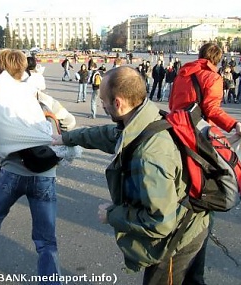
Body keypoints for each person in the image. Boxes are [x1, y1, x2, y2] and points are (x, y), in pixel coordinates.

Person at [52, 66, 209, 285]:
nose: (102, 105)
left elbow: (161, 222)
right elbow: (108, 135)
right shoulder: (145, 118)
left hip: (178, 239)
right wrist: (68, 138)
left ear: (118, 103)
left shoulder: (149, 156)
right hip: (191, 220)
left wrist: (113, 215)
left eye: (103, 100)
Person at [0, 49, 74, 285]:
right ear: (24, 66)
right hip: (44, 175)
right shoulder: (37, 93)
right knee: (46, 241)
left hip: (12, 171)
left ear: (1, 68)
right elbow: (69, 121)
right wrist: (46, 136)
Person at [169, 42, 241, 285]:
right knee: (205, 194)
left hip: (176, 134)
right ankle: (194, 273)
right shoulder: (211, 77)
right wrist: (235, 125)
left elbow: (173, 105)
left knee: (181, 189)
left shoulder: (184, 73)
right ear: (218, 59)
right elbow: (211, 109)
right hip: (197, 140)